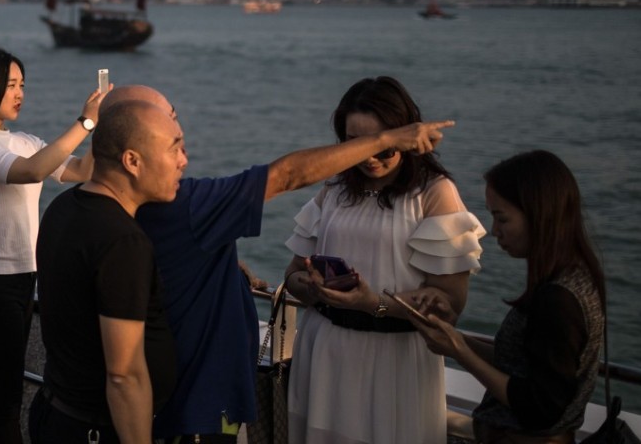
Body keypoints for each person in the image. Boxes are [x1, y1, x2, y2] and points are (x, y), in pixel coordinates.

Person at [99, 84, 455, 442]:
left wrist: (220, 266)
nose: (185, 153)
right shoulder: (189, 203)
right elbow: (287, 182)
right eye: (172, 137)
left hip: (388, 363)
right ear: (132, 153)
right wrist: (386, 139)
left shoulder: (91, 209)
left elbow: (450, 304)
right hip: (209, 398)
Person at [282, 76, 486, 444]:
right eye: (355, 145)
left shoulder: (434, 194)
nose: (370, 157)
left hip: (395, 362)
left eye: (383, 147)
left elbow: (449, 306)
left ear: (405, 137)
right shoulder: (334, 191)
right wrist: (311, 287)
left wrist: (371, 302)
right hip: (323, 353)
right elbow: (293, 275)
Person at [0, 47, 102, 444]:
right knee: (2, 398)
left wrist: (105, 123)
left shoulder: (25, 140)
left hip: (23, 282)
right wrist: (84, 121)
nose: (20, 93)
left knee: (1, 395)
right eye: (11, 85)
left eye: (22, 85)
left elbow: (81, 170)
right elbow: (31, 171)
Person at [411, 150, 605, 444]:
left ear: (538, 214)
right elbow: (520, 364)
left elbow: (540, 408)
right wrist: (456, 339)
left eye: (502, 218)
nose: (494, 231)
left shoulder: (559, 299)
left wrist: (459, 352)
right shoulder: (572, 277)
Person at [32, 99, 186, 444]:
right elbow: (123, 374)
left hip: (56, 411)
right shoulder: (122, 241)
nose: (183, 161)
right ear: (131, 160)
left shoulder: (64, 207)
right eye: (174, 149)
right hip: (96, 429)